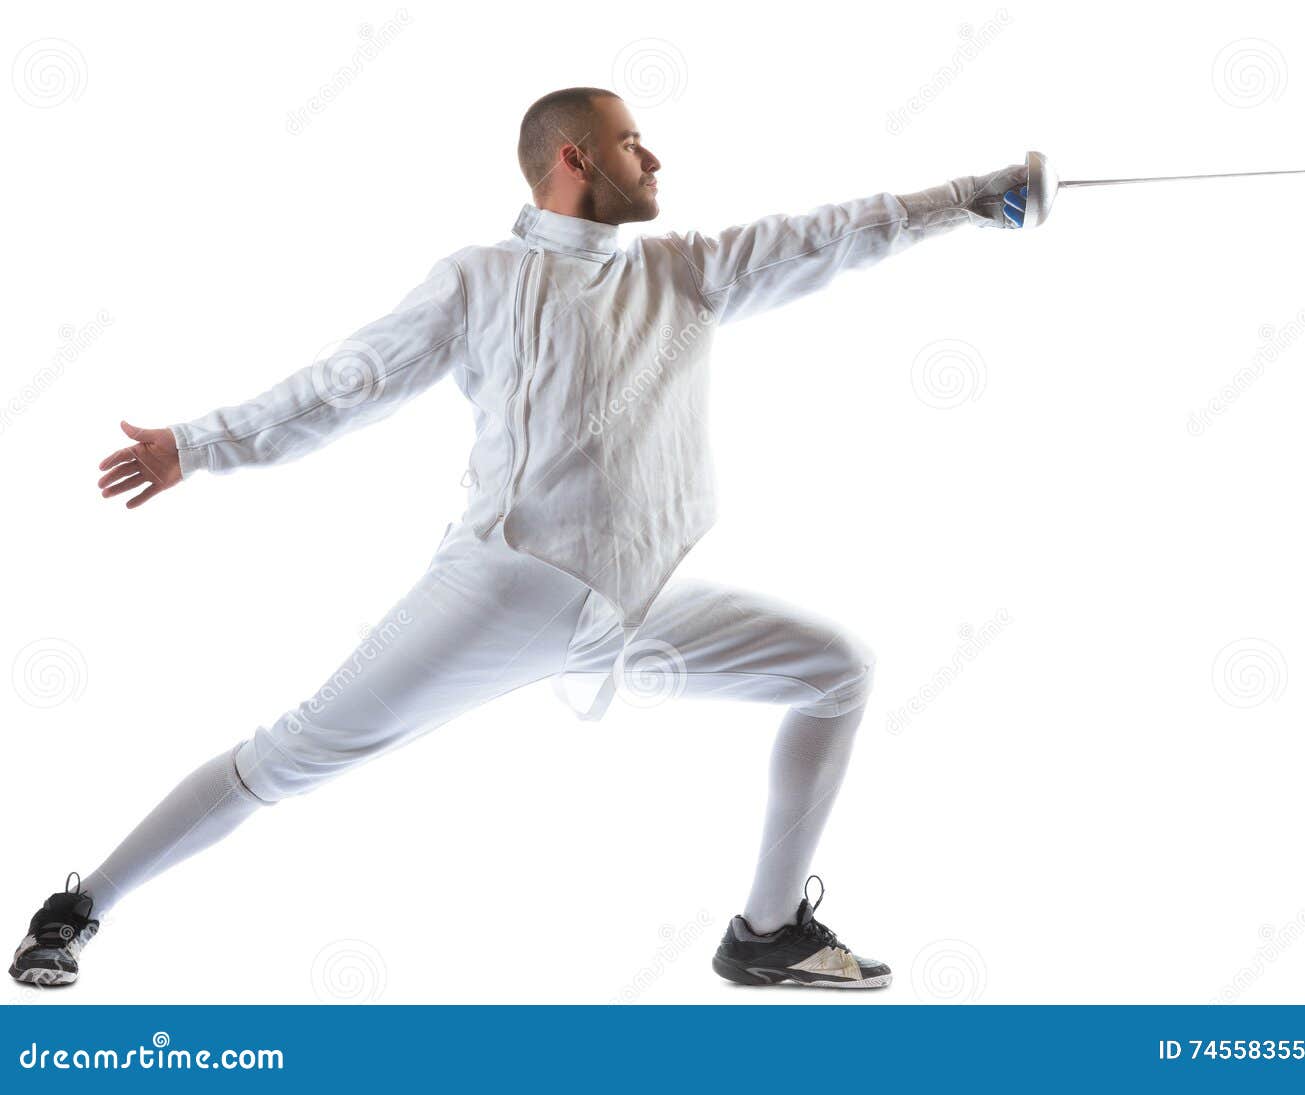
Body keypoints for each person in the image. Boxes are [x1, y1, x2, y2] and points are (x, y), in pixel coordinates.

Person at [9, 87, 1026, 991]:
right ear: (573, 158)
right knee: (290, 758)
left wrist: (983, 193)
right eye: (633, 142)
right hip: (500, 589)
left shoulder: (683, 273)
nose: (655, 159)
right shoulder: (480, 280)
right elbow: (344, 385)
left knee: (836, 668)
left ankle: (765, 936)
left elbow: (834, 232)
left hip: (632, 608)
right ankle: (81, 903)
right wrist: (201, 444)